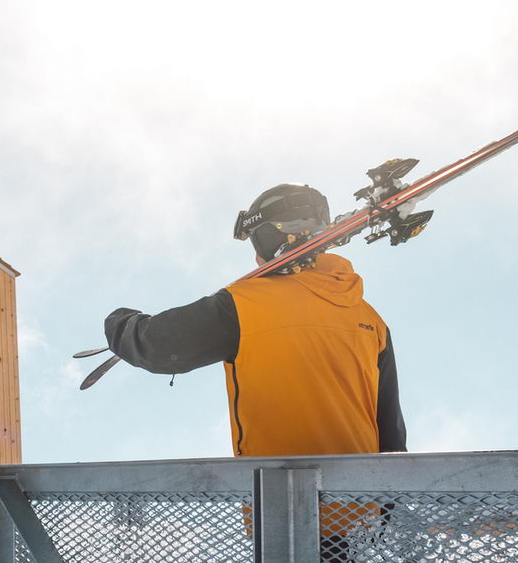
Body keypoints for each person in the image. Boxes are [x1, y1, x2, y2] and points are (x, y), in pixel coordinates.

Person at [102, 183, 407, 457]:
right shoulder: (371, 321)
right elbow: (392, 434)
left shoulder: (243, 305)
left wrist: (120, 322)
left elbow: (156, 345)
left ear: (268, 238)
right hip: (364, 510)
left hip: (281, 508)